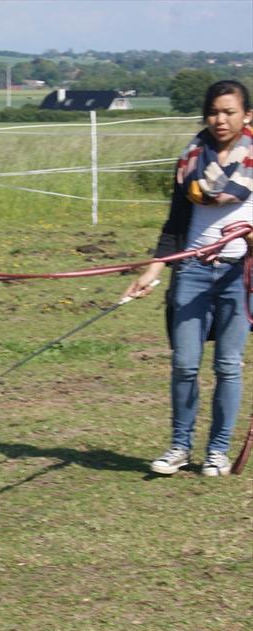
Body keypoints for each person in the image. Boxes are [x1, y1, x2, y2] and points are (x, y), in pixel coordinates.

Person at [124, 79, 253, 477]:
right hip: (193, 271)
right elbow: (175, 224)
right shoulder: (189, 162)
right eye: (214, 112)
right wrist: (153, 270)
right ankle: (179, 446)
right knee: (184, 364)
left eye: (229, 112)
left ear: (246, 116)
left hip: (239, 273)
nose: (221, 119)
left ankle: (217, 451)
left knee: (228, 365)